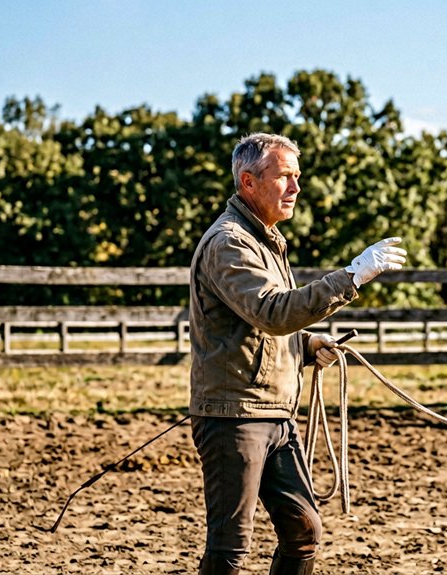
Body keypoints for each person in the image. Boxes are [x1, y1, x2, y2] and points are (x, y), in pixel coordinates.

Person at [188, 132, 406, 575]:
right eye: (284, 177)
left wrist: (306, 346)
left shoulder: (263, 240)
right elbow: (271, 312)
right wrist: (352, 276)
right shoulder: (230, 242)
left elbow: (256, 326)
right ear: (248, 182)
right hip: (235, 415)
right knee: (230, 547)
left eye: (297, 177)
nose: (296, 188)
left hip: (273, 412)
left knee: (303, 531)